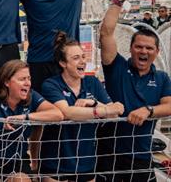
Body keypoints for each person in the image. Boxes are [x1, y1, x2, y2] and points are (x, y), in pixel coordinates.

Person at [98, 0, 171, 182]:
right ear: (130, 49)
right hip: (109, 155)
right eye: (138, 47)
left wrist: (148, 110)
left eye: (149, 48)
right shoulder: (116, 67)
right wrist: (118, 1)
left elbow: (169, 106)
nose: (143, 51)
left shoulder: (162, 78)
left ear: (157, 52)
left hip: (141, 156)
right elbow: (105, 34)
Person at [38, 33, 124, 181]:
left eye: (83, 57)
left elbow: (116, 112)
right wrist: (102, 110)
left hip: (86, 162)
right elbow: (67, 112)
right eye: (76, 58)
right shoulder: (51, 85)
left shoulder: (93, 83)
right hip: (56, 162)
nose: (83, 61)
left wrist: (94, 103)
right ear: (63, 63)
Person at [0, 46, 63, 182]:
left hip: (16, 161)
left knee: (21, 180)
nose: (27, 83)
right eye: (22, 79)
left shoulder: (31, 97)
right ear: (7, 82)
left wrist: (25, 117)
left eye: (29, 78)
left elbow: (57, 114)